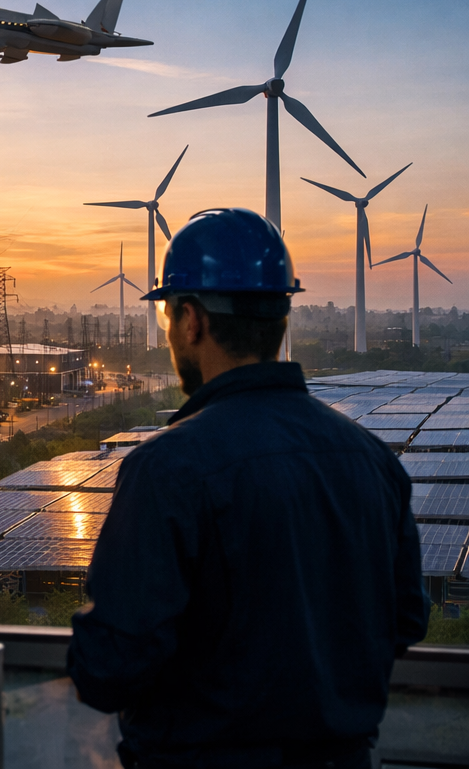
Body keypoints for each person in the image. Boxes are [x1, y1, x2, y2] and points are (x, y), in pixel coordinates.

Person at [68, 207, 427, 769]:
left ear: (191, 321)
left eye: (166, 317)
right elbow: (407, 619)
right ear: (282, 316)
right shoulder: (373, 461)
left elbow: (110, 665)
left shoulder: (169, 469)